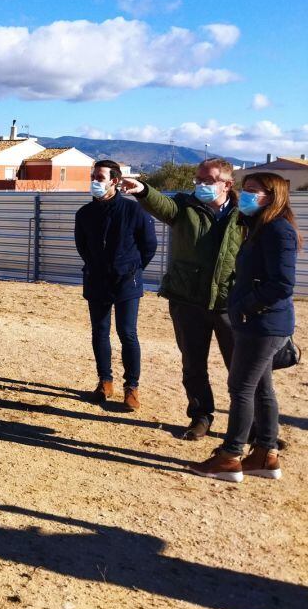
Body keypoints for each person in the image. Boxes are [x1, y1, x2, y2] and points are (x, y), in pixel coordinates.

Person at [119, 159, 243, 440]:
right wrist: (142, 190)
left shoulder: (244, 214)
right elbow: (163, 206)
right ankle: (200, 416)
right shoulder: (185, 207)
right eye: (198, 179)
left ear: (227, 184)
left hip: (229, 302)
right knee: (193, 364)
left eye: (208, 180)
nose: (201, 185)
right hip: (188, 300)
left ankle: (253, 425)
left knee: (241, 368)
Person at [190, 173, 300, 482]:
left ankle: (231, 456)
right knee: (262, 389)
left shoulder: (278, 231)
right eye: (244, 189)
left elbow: (282, 284)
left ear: (272, 196)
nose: (245, 196)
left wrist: (246, 306)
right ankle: (265, 455)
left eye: (253, 191)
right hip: (259, 323)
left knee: (241, 388)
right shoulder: (260, 228)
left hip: (263, 326)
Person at [75, 160, 157, 411]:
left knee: (127, 333)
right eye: (93, 176)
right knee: (99, 332)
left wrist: (131, 268)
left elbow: (149, 246)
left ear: (114, 181)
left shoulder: (134, 211)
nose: (94, 181)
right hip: (96, 280)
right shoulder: (85, 213)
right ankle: (104, 381)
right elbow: (82, 246)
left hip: (126, 282)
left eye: (99, 177)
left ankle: (131, 387)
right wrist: (94, 267)